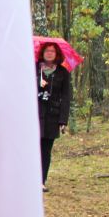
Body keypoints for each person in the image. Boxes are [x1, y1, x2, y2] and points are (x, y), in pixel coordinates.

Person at [36, 42, 71, 191]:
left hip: (52, 116)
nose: (49, 53)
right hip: (34, 115)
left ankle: (41, 181)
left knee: (46, 150)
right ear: (42, 53)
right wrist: (37, 83)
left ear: (57, 54)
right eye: (47, 50)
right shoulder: (34, 69)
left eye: (52, 51)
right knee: (33, 148)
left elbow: (66, 96)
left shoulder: (63, 72)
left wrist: (63, 120)